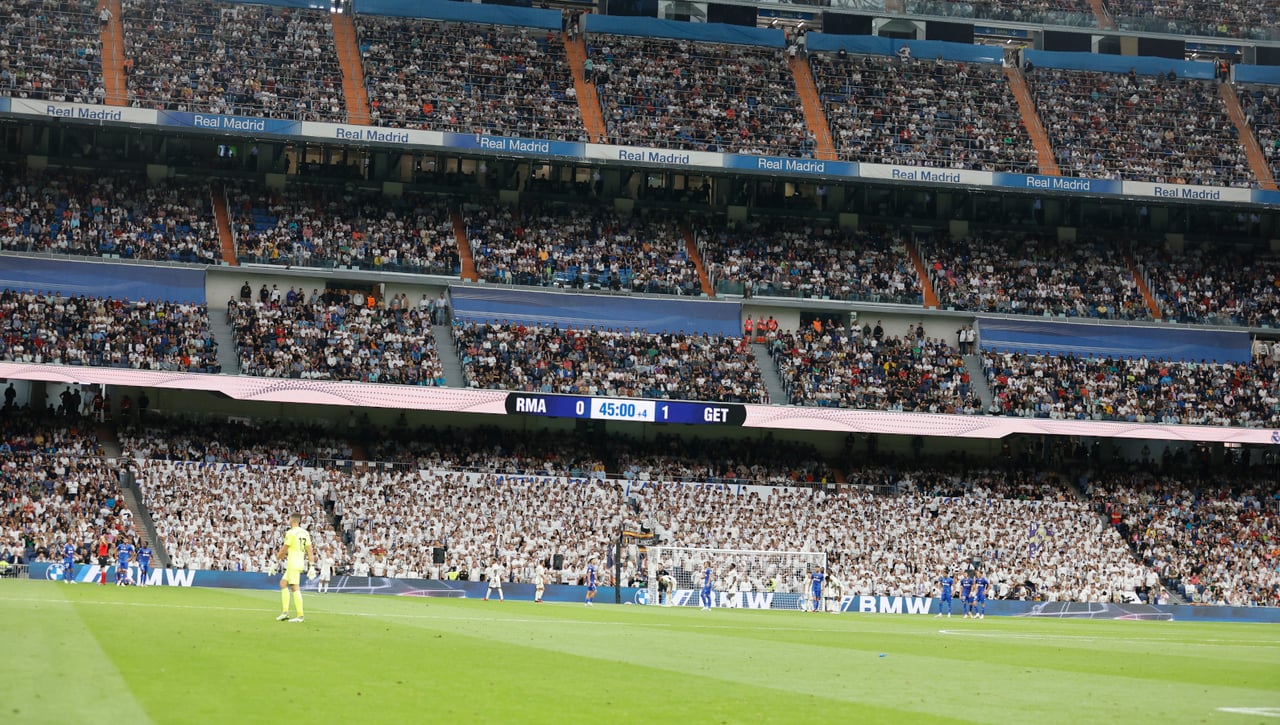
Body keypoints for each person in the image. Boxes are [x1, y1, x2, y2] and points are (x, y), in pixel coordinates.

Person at [275, 514, 315, 623]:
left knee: (294, 587)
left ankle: (300, 615)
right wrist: (312, 566)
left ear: (292, 520)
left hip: (293, 563)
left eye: (289, 518)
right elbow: (310, 551)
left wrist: (275, 561)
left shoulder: (291, 533)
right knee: (283, 583)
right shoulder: (305, 533)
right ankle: (285, 612)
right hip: (300, 562)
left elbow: (283, 550)